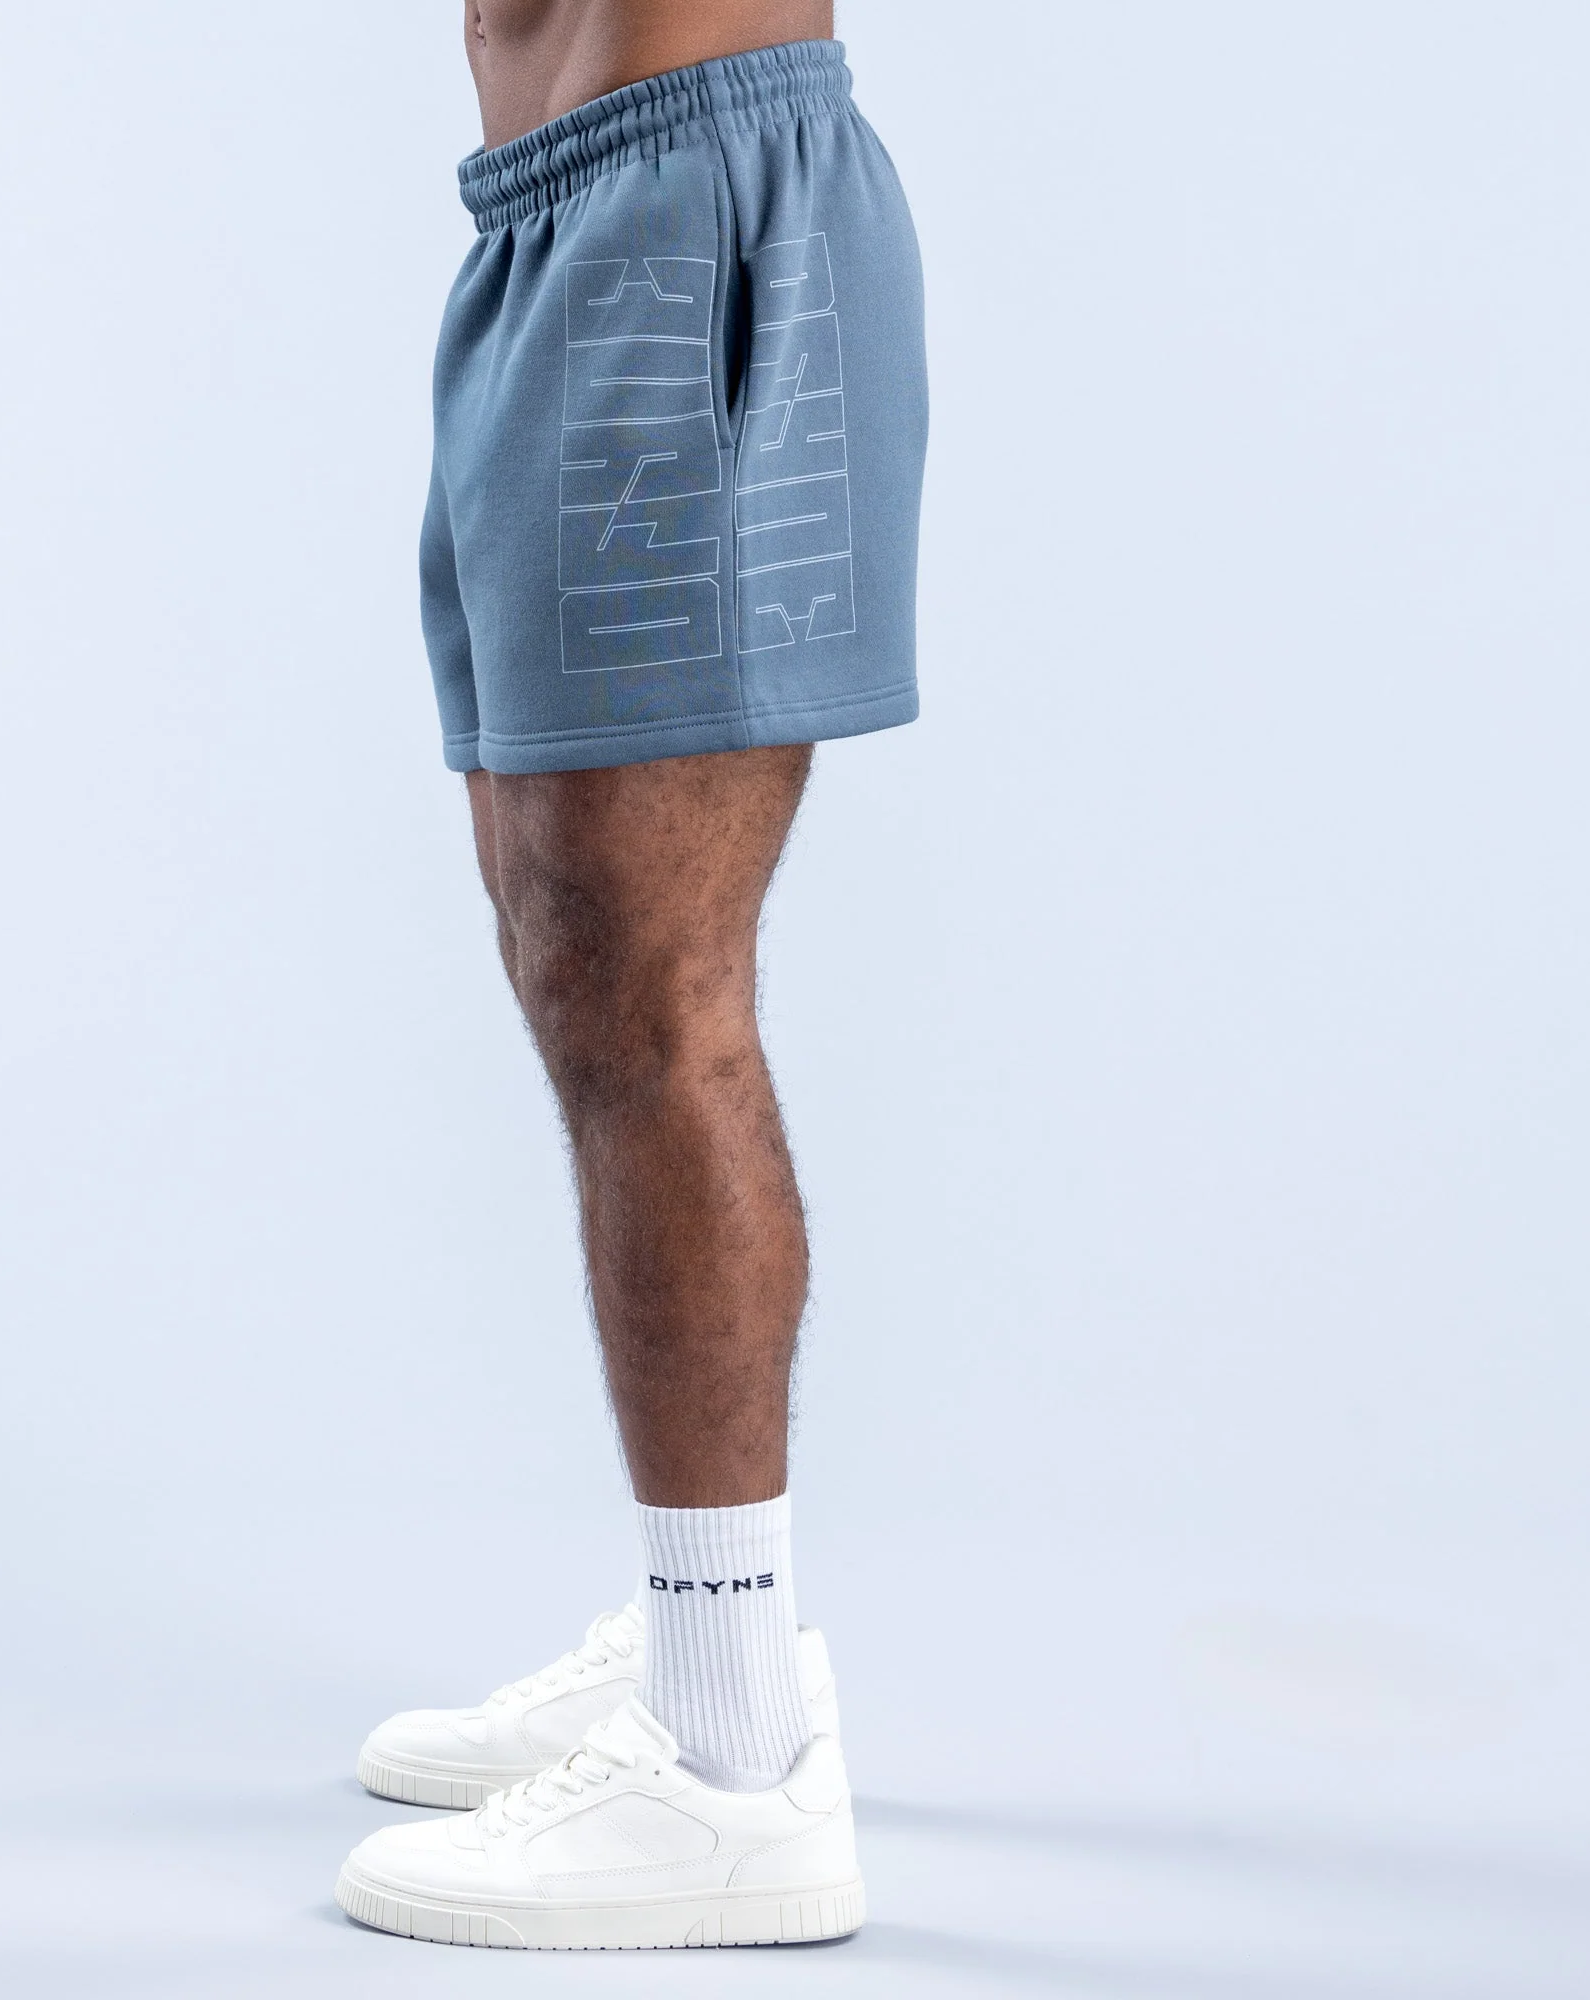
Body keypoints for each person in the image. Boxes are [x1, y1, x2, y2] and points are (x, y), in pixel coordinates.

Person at [335, 0, 926, 1950]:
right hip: (545, 217)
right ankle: (706, 1628)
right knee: (561, 952)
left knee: (651, 994)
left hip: (694, 196)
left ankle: (731, 1765)